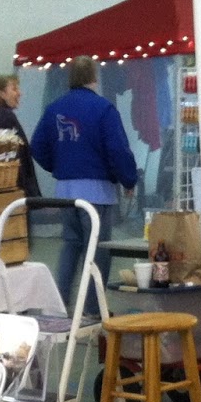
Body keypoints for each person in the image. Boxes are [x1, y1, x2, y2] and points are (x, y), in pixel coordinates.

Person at [30, 56, 138, 313]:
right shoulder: (103, 109)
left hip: (65, 192)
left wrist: (58, 166)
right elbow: (118, 149)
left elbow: (37, 146)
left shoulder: (54, 108)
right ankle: (92, 308)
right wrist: (128, 179)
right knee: (97, 252)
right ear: (94, 77)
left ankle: (58, 305)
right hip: (97, 193)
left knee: (71, 245)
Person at [0, 74, 40, 197]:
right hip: (13, 190)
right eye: (14, 89)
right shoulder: (5, 117)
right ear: (1, 94)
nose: (19, 93)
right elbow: (18, 158)